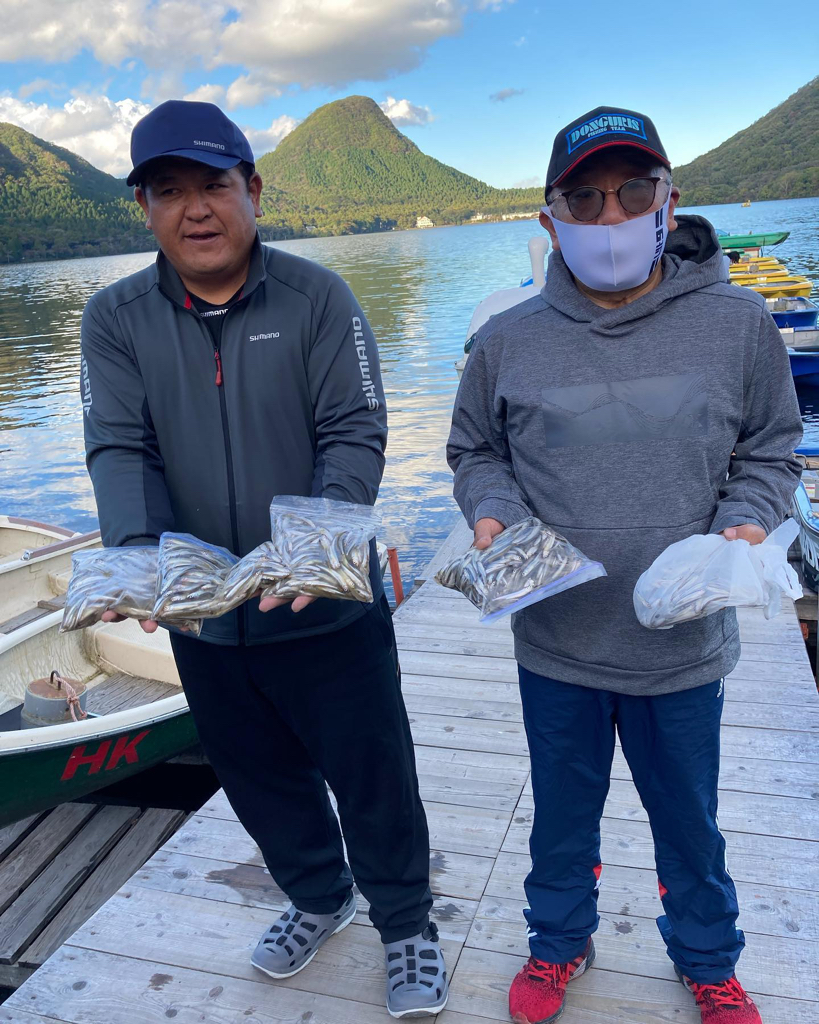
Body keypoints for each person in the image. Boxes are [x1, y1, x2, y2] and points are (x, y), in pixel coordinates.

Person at [80, 99, 448, 1020]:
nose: (195, 208)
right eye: (169, 190)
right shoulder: (114, 317)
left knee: (374, 772)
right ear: (144, 206)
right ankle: (318, 897)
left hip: (323, 604)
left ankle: (405, 922)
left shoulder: (318, 298)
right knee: (255, 775)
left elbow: (354, 428)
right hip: (205, 620)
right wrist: (144, 564)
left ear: (253, 189)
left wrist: (312, 548)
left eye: (214, 184)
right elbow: (121, 449)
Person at [447, 106, 802, 1024]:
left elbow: (769, 452)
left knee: (689, 823)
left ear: (667, 200)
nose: (609, 218)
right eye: (584, 197)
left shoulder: (737, 323)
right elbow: (474, 450)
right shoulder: (505, 338)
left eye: (631, 192)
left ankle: (708, 957)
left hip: (681, 648)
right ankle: (558, 942)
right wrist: (492, 511)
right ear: (548, 217)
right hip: (556, 640)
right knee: (562, 820)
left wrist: (744, 529)